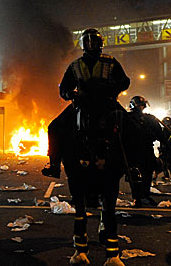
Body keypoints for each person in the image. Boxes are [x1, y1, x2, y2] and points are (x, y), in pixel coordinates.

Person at [56, 29, 130, 266]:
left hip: (107, 106)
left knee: (133, 127)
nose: (91, 46)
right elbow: (63, 88)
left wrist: (113, 89)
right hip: (82, 107)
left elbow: (124, 80)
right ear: (83, 46)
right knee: (54, 127)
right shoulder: (75, 65)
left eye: (94, 43)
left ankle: (134, 165)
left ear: (100, 44)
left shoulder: (110, 62)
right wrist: (70, 93)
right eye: (88, 43)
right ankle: (53, 162)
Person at [127, 96, 164, 207]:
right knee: (141, 173)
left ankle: (140, 197)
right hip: (138, 150)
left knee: (141, 173)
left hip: (138, 150)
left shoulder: (129, 117)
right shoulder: (130, 118)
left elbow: (160, 135)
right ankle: (141, 197)